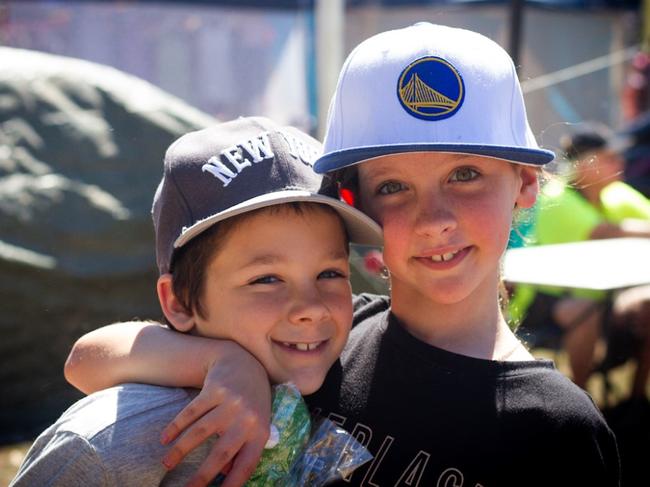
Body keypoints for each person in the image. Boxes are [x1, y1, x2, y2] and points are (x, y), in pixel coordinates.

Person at [64, 23, 621, 486]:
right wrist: (221, 362)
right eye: (394, 187)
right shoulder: (324, 334)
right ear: (355, 203)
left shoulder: (558, 428)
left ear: (526, 184)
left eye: (466, 174)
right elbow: (90, 357)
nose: (435, 220)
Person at [10, 116, 383, 486]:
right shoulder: (111, 447)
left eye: (330, 274)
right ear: (179, 302)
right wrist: (222, 363)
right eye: (266, 279)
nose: (312, 308)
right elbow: (82, 361)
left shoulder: (361, 363)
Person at [510, 123, 650, 400]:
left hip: (606, 294)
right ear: (587, 164)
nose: (619, 162)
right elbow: (603, 232)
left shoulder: (616, 193)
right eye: (609, 157)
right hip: (541, 298)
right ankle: (581, 399)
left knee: (647, 303)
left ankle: (636, 399)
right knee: (585, 311)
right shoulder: (557, 197)